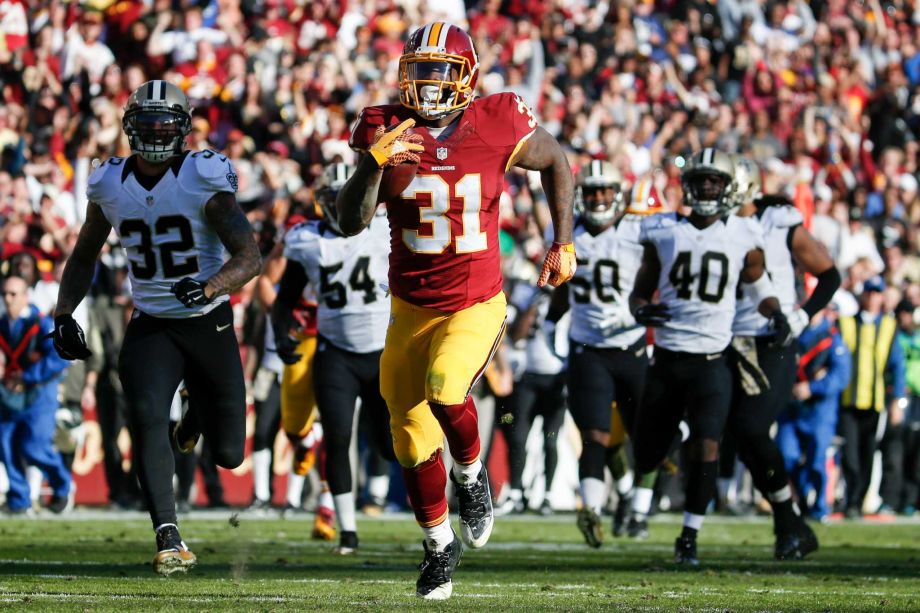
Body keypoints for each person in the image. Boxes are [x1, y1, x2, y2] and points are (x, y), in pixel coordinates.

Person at [338, 22, 576, 600]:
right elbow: (348, 221)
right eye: (419, 69)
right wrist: (373, 162)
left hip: (475, 300)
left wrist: (562, 240)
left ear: (467, 76)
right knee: (410, 439)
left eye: (441, 69)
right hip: (410, 307)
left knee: (448, 387)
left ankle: (471, 476)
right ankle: (439, 545)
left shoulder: (497, 119)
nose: (428, 82)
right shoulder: (382, 126)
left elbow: (557, 161)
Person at [51, 80, 261, 575]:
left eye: (164, 125)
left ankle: (194, 416)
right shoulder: (109, 182)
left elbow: (249, 255)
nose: (154, 134)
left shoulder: (201, 177)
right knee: (145, 416)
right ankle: (167, 534)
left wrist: (210, 287)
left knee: (230, 452)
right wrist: (63, 313)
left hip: (207, 322)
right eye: (146, 125)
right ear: (129, 129)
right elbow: (84, 254)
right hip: (151, 324)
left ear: (183, 130)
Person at [628, 148, 790, 566]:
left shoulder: (743, 233)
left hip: (712, 360)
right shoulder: (663, 229)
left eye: (714, 181)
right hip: (667, 357)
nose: (706, 188)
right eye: (700, 181)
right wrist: (640, 308)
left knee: (708, 446)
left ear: (727, 187)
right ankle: (654, 472)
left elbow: (758, 286)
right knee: (646, 452)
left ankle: (689, 536)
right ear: (687, 185)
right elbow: (641, 290)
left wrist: (778, 313)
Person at [272, 162, 395, 555]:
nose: (346, 206)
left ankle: (430, 516)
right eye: (337, 198)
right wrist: (279, 334)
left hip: (382, 352)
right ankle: (347, 530)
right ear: (323, 202)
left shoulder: (384, 229)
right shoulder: (307, 239)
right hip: (334, 352)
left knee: (389, 445)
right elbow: (284, 300)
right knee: (338, 438)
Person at [726, 155, 839, 559]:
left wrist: (802, 314)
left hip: (772, 339)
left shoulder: (776, 221)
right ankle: (788, 522)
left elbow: (830, 274)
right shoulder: (712, 224)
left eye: (718, 183)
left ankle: (789, 520)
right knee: (739, 437)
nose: (710, 192)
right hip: (725, 339)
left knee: (752, 428)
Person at [545, 161, 647, 547]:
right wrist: (550, 322)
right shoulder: (568, 235)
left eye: (605, 191)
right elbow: (560, 288)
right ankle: (591, 511)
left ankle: (634, 505)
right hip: (588, 348)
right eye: (592, 192)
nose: (599, 198)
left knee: (641, 434)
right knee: (594, 435)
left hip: (631, 344)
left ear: (618, 195)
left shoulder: (639, 232)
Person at [0, 274, 72, 515]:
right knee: (5, 445)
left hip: (39, 394)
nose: (8, 299)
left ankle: (62, 485)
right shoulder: (1, 324)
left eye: (13, 294)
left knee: (33, 447)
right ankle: (19, 499)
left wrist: (27, 377)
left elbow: (59, 357)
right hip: (8, 394)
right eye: (5, 294)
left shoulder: (39, 324)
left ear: (26, 296)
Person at [837, 276, 907, 517]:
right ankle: (851, 500)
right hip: (847, 399)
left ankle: (856, 501)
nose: (872, 298)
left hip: (874, 401)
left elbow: (898, 365)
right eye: (869, 292)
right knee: (850, 455)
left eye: (877, 293)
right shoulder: (845, 323)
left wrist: (897, 399)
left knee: (867, 453)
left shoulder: (888, 326)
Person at [776, 305, 850, 521]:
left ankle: (819, 506)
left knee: (817, 461)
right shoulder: (792, 334)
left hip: (820, 410)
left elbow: (841, 375)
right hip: (791, 406)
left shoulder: (832, 337)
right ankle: (801, 501)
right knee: (786, 456)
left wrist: (813, 388)